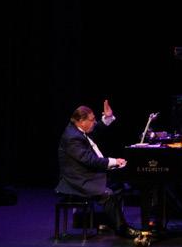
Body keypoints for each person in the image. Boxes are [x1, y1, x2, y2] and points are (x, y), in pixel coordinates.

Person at [56, 102, 140, 238]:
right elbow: (90, 160)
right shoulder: (72, 137)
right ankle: (122, 229)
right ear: (81, 121)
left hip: (85, 176)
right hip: (76, 181)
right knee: (108, 193)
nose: (94, 122)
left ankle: (112, 222)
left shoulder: (78, 130)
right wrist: (114, 161)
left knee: (118, 186)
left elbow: (97, 128)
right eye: (92, 120)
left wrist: (108, 117)